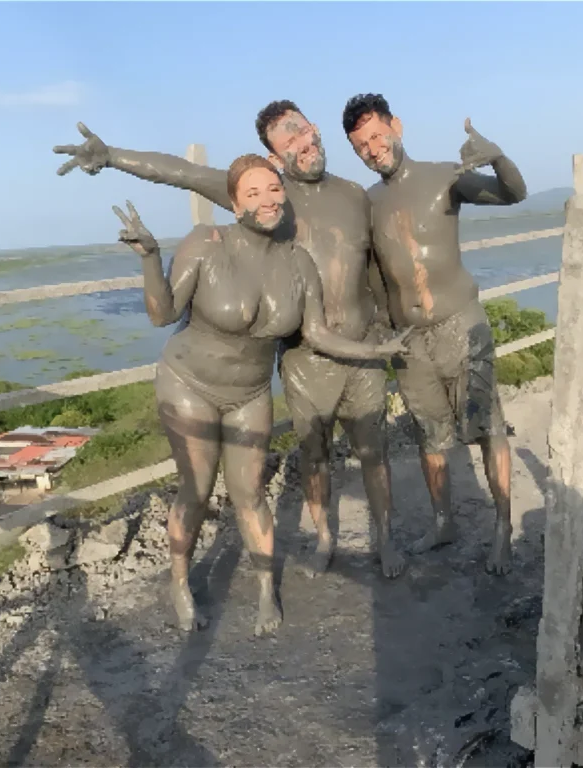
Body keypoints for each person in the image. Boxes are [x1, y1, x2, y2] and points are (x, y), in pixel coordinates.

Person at [54, 106, 407, 580]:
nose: (302, 144)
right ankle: (325, 539)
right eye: (288, 143)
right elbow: (182, 173)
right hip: (305, 356)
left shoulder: (353, 195)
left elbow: (375, 266)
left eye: (303, 131)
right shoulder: (264, 194)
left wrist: (386, 325)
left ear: (315, 129)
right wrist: (113, 155)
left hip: (361, 344)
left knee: (374, 451)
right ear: (273, 157)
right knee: (315, 456)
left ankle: (386, 538)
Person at [111, 154, 408, 635]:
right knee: (197, 489)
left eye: (273, 189)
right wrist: (149, 257)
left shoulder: (297, 262)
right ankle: (180, 582)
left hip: (250, 391)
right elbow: (163, 314)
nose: (267, 200)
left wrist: (377, 349)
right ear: (234, 202)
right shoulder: (207, 244)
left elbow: (316, 333)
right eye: (253, 192)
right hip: (190, 383)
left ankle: (266, 590)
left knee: (250, 493)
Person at [341, 93, 528, 576]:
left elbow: (514, 194)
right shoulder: (368, 202)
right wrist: (383, 330)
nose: (372, 148)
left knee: (488, 427)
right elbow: (372, 273)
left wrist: (498, 156)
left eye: (377, 136)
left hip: (461, 324)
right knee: (430, 436)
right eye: (361, 145)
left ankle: (503, 527)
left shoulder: (446, 177)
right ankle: (443, 521)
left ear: (396, 126)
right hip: (409, 339)